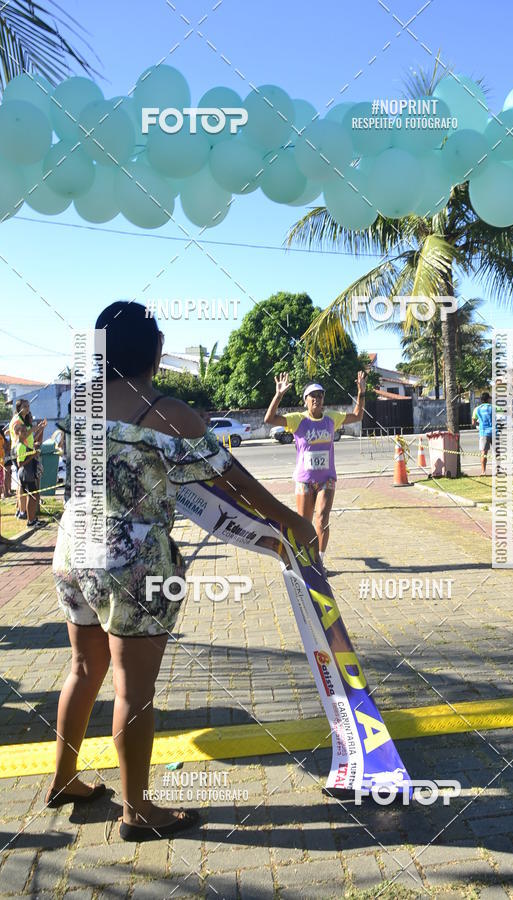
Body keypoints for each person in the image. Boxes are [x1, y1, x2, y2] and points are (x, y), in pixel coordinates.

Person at [50, 301, 316, 842]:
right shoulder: (167, 411)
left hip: (73, 553)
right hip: (133, 563)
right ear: (152, 349)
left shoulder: (81, 403)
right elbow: (232, 478)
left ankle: (63, 779)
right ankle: (138, 812)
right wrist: (290, 521)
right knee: (134, 690)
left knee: (82, 668)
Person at [264, 371, 366, 568]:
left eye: (320, 396)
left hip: (327, 478)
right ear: (306, 401)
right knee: (304, 524)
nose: (317, 399)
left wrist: (361, 392)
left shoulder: (331, 418)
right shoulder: (297, 420)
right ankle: (303, 559)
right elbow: (270, 419)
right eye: (313, 396)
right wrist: (278, 395)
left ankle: (319, 561)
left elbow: (357, 415)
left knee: (322, 519)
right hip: (304, 480)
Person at [14, 424, 40, 526]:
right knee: (32, 496)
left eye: (26, 431)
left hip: (28, 473)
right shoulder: (20, 446)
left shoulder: (24, 444)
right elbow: (20, 463)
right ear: (18, 433)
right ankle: (30, 520)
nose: (25, 433)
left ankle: (32, 518)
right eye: (23, 431)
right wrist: (32, 455)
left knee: (33, 496)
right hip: (26, 473)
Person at [472, 391, 493, 475]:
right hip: (494, 432)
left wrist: (480, 424)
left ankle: (483, 471)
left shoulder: (477, 409)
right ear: (488, 399)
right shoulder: (493, 407)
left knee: (484, 453)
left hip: (483, 432)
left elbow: (473, 423)